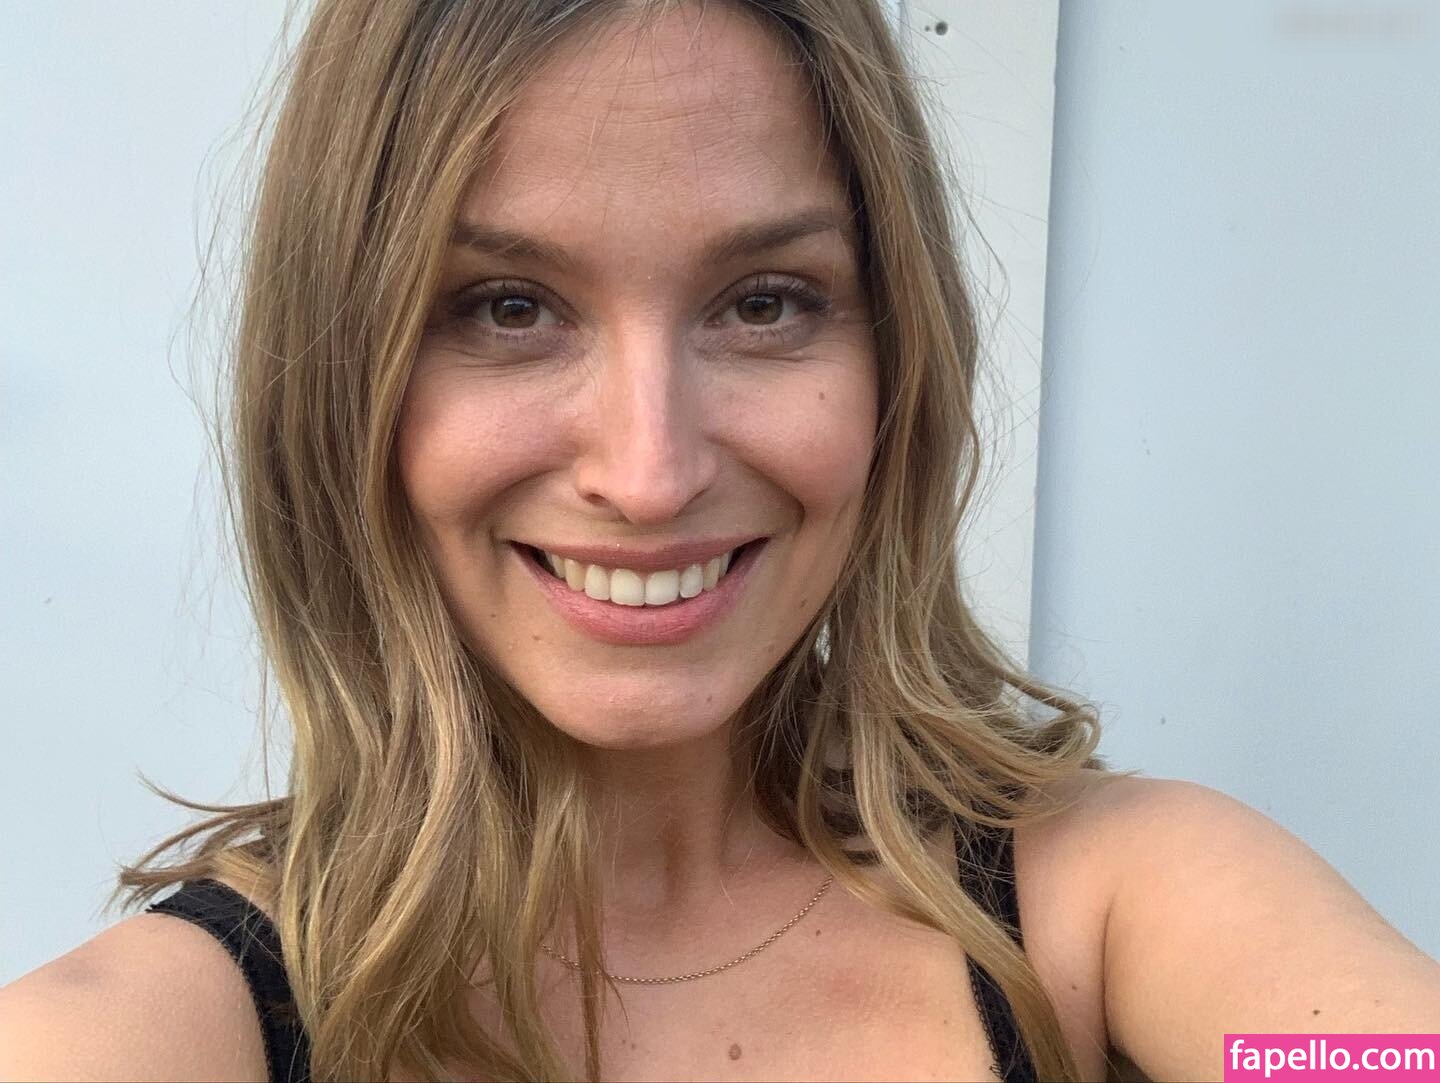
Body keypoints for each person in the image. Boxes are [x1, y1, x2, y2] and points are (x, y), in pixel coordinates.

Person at [2, 1, 1437, 1080]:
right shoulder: (166, 1026)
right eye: (509, 307)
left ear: (896, 361)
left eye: (763, 303)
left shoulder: (1124, 905)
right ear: (340, 383)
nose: (649, 475)